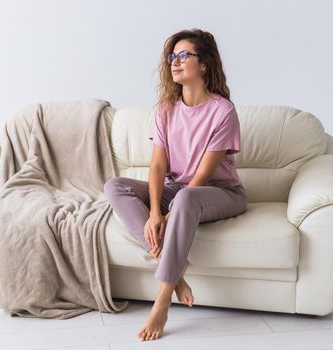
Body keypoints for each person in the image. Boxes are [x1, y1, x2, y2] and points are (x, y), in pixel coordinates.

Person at [103, 28, 248, 341]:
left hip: (221, 193)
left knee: (184, 199)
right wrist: (155, 211)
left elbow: (202, 176)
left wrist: (171, 212)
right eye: (172, 56)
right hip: (177, 191)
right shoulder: (166, 110)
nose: (175, 62)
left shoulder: (223, 111)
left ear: (204, 64)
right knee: (115, 186)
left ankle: (162, 300)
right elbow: (157, 166)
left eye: (185, 55)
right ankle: (177, 272)